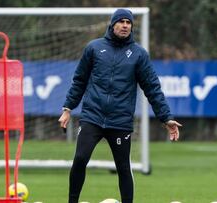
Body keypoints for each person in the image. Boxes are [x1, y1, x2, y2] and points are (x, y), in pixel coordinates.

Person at [58, 8, 182, 203]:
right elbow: (79, 80)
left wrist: (166, 117)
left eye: (129, 22)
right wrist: (67, 108)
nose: (125, 25)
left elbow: (152, 88)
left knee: (123, 167)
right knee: (80, 159)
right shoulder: (94, 48)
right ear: (113, 24)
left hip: (120, 120)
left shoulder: (139, 54)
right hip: (93, 116)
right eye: (121, 21)